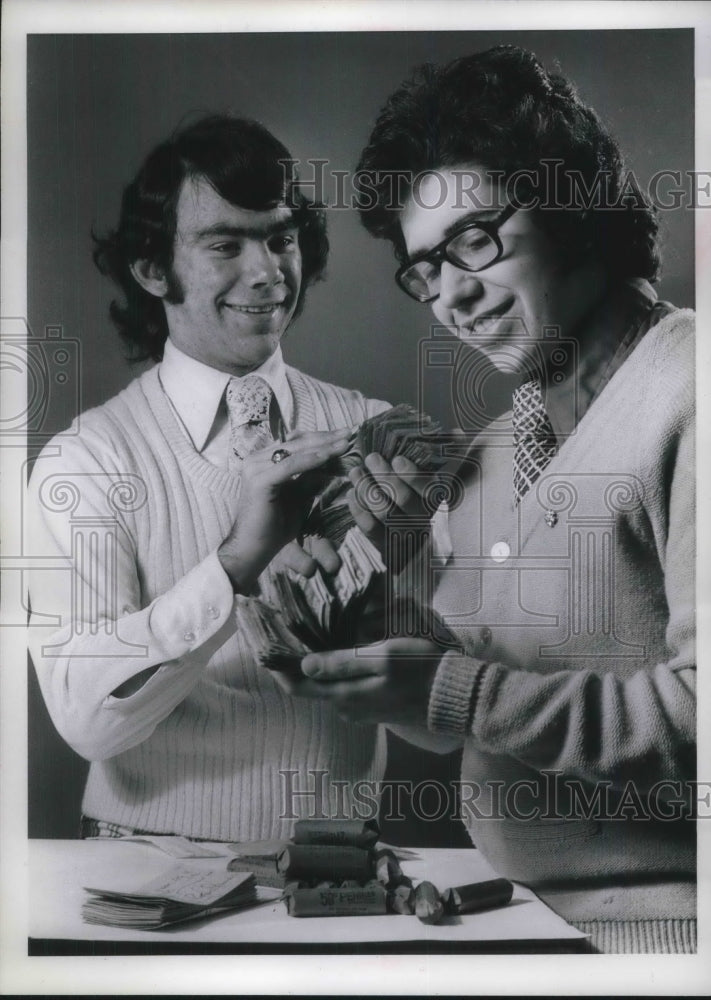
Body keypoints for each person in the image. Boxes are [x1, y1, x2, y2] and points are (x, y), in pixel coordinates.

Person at [278, 47, 696, 953]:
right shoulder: (501, 445)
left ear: (574, 206)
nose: (450, 297)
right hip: (513, 921)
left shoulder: (689, 395)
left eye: (474, 238)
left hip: (658, 943)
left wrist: (459, 692)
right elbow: (466, 727)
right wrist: (363, 624)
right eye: (422, 268)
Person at [27, 114, 391, 843]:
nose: (267, 272)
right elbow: (85, 721)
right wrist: (236, 564)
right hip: (148, 886)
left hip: (343, 875)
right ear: (152, 268)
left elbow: (450, 727)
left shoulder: (370, 431)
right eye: (225, 244)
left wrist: (404, 587)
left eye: (281, 237)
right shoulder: (86, 460)